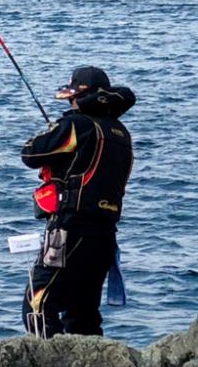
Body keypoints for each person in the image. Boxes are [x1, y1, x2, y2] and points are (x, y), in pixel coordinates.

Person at [20, 66, 135, 337]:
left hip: (71, 229)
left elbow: (30, 153)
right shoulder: (121, 133)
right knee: (83, 315)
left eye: (72, 97)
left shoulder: (77, 125)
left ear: (80, 97)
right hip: (105, 236)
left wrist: (59, 126)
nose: (70, 103)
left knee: (37, 304)